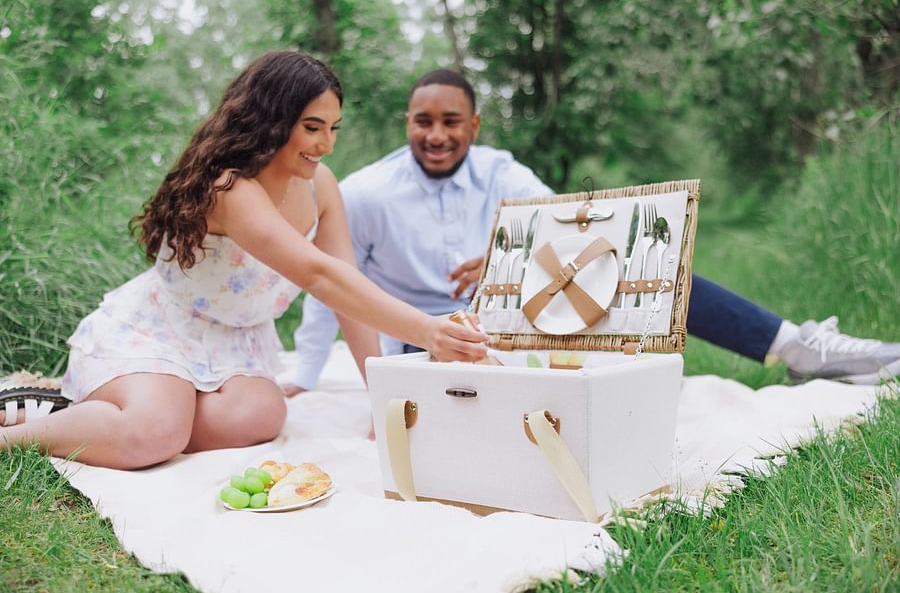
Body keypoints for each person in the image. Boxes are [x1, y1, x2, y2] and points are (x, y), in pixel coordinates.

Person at [0, 52, 488, 468]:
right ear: (272, 121)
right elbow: (320, 275)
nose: (326, 144)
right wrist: (427, 330)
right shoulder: (231, 188)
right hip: (164, 330)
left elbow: (347, 291)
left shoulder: (321, 186)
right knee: (156, 433)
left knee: (261, 416)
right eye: (312, 127)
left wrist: (384, 400)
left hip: (234, 344)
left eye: (333, 128)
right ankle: (29, 429)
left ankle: (109, 412)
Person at [287, 69, 900, 394]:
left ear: (473, 124)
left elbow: (571, 234)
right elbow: (332, 285)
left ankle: (796, 347)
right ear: (408, 123)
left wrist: (507, 258)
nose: (437, 134)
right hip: (427, 347)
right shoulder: (364, 191)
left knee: (642, 271)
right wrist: (308, 378)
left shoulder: (503, 171)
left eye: (451, 121)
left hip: (516, 324)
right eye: (423, 121)